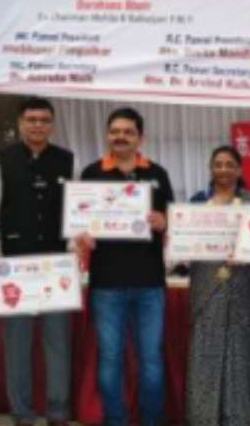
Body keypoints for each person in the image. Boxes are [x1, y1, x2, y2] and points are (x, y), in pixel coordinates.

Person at [73, 107, 174, 426]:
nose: (121, 137)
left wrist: (164, 222)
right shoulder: (91, 173)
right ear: (107, 135)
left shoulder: (157, 173)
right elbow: (79, 222)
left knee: (151, 358)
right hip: (106, 283)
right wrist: (81, 235)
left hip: (150, 282)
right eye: (115, 131)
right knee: (110, 358)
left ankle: (151, 420)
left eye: (128, 132)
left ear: (140, 138)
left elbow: (175, 222)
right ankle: (115, 420)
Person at [0, 97, 76, 426]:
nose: (38, 125)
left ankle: (58, 411)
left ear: (52, 125)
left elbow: (76, 211)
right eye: (31, 119)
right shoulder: (0, 159)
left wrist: (74, 246)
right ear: (20, 123)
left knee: (58, 342)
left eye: (44, 120)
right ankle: (21, 413)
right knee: (17, 344)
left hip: (57, 264)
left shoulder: (68, 160)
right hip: (15, 263)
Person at [185, 146, 250, 426]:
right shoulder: (197, 203)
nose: (224, 169)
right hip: (207, 285)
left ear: (239, 169)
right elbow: (184, 242)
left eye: (230, 164)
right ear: (210, 168)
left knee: (240, 352)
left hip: (244, 286)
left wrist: (248, 253)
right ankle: (203, 417)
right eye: (218, 164)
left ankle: (238, 417)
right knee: (205, 349)